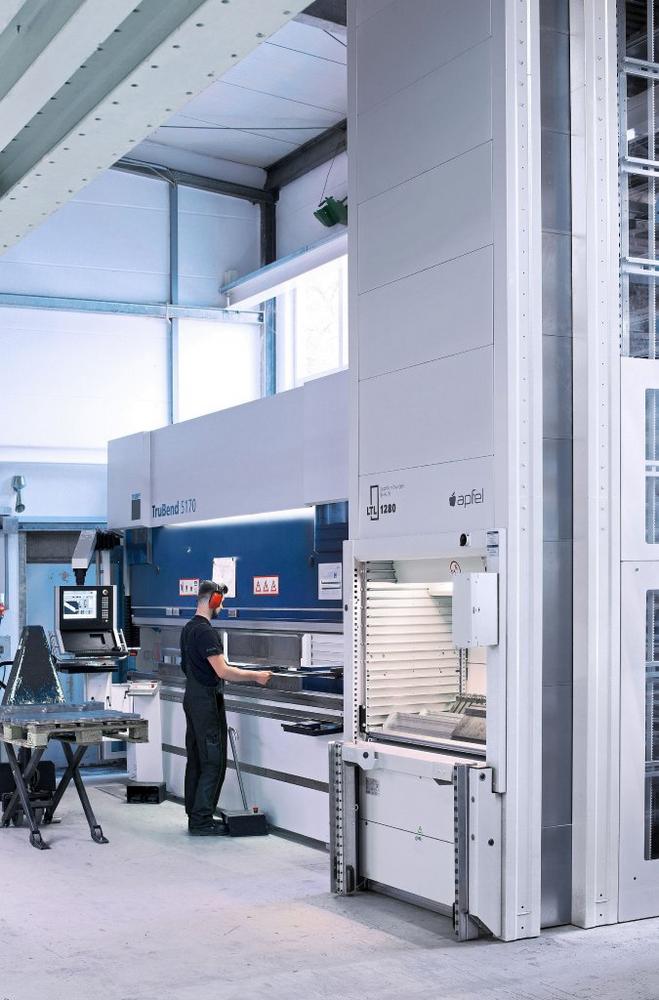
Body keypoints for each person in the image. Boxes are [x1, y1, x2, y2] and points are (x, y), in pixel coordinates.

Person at [181, 579, 271, 836]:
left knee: (197, 759)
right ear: (214, 600)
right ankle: (201, 821)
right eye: (221, 601)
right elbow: (223, 671)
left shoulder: (188, 628)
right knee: (214, 761)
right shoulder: (206, 632)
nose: (221, 606)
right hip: (206, 702)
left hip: (192, 699)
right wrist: (256, 676)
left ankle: (195, 815)